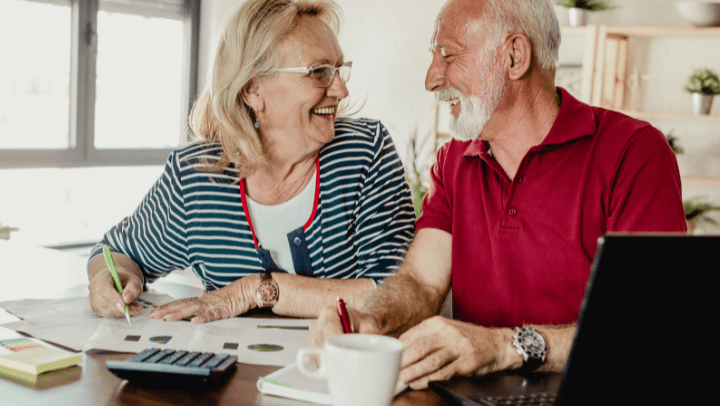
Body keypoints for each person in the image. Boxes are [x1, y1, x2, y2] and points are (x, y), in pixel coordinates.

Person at [308, 0, 686, 390]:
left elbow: (654, 331)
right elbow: (420, 281)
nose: (432, 78)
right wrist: (372, 320)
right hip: (476, 398)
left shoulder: (635, 152)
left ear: (514, 56)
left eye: (449, 55)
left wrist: (506, 347)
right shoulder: (454, 160)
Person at [87, 0, 415, 323]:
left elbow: (396, 292)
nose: (341, 89)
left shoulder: (365, 151)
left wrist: (251, 291)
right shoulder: (196, 177)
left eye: (339, 70)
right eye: (319, 73)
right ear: (253, 89)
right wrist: (110, 280)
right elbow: (117, 254)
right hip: (231, 374)